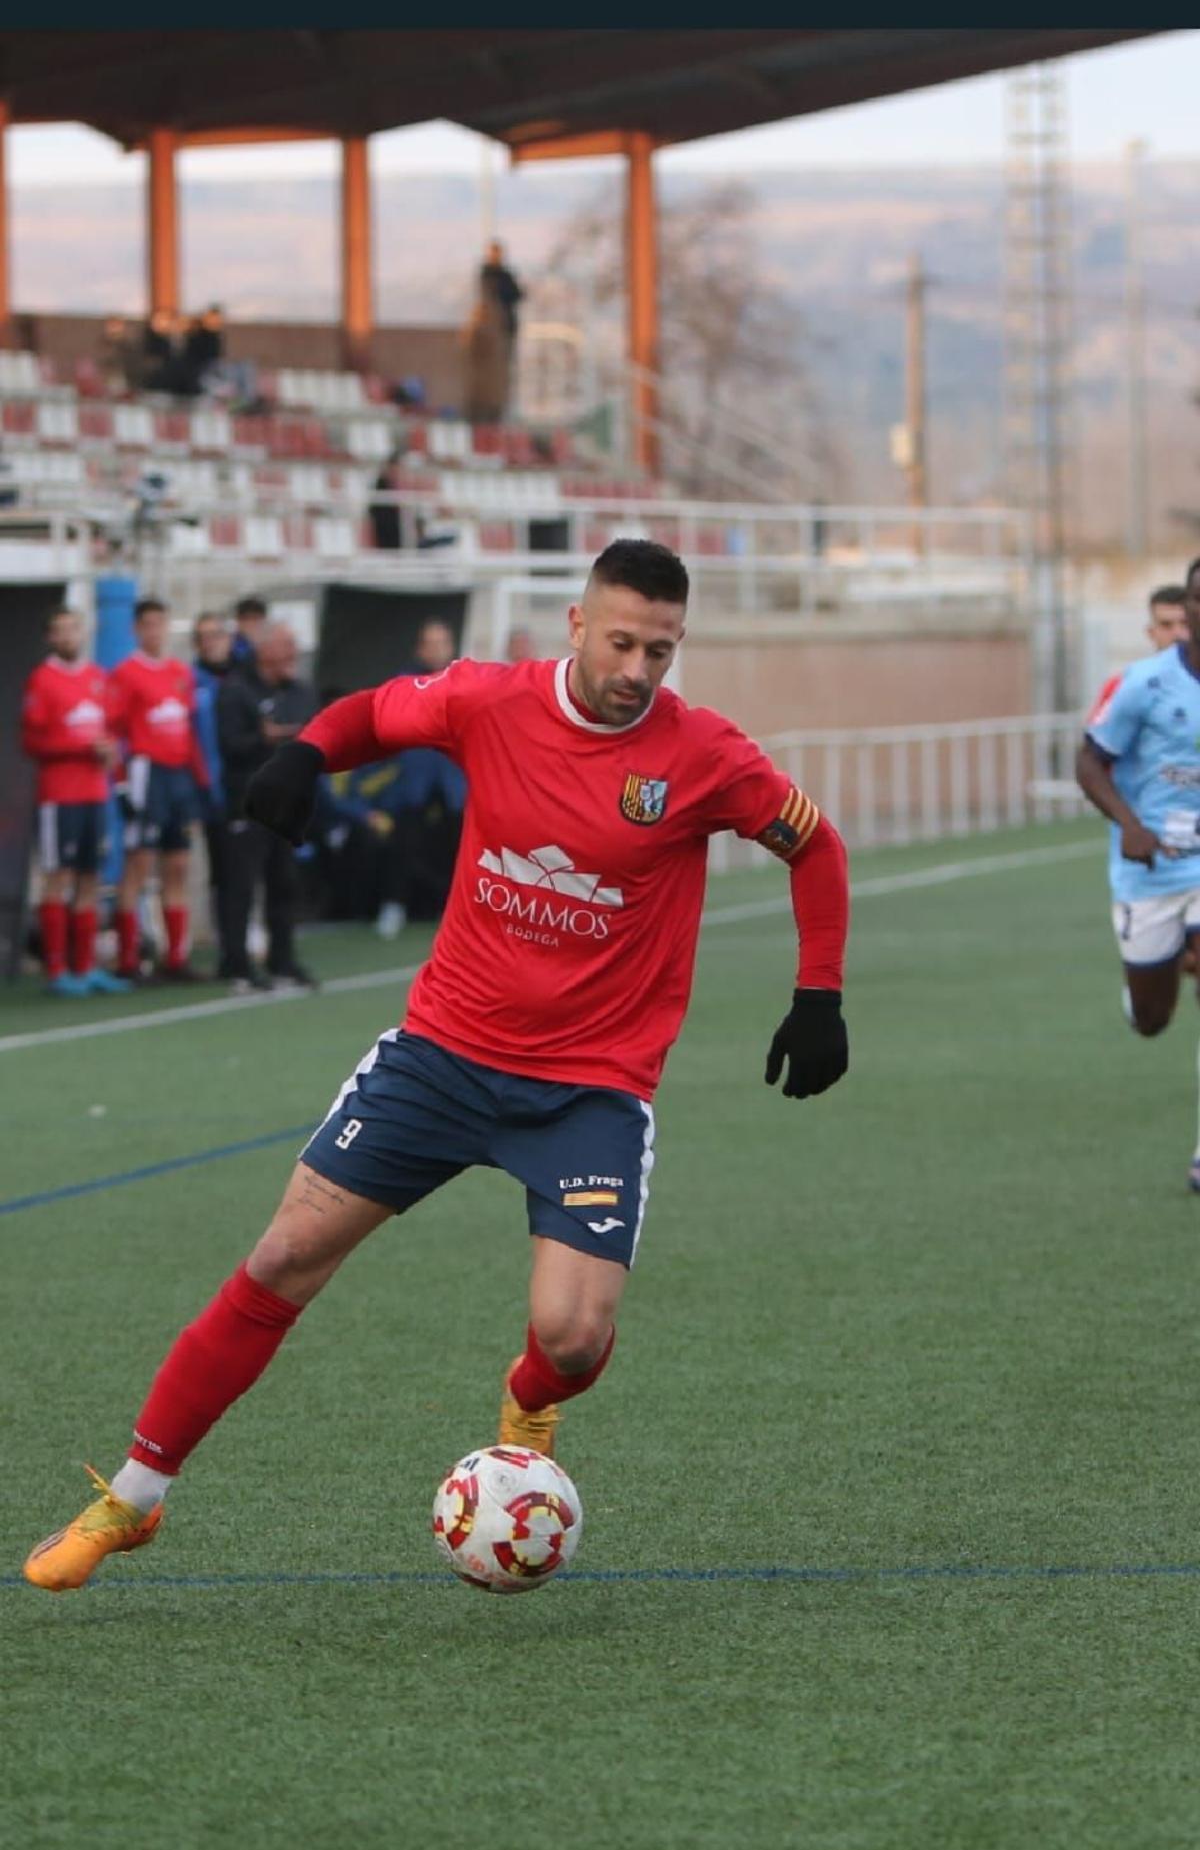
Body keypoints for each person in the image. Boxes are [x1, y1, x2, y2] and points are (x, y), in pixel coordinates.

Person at [22, 538, 850, 1592]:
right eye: (623, 643)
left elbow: (814, 845)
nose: (639, 670)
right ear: (579, 625)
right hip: (442, 1058)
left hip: (590, 1089)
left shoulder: (704, 755)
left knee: (574, 1336)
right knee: (284, 1256)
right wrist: (306, 754)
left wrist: (818, 994)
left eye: (662, 650)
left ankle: (529, 1396)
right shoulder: (488, 700)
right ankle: (134, 1498)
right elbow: (373, 713)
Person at [1077, 554, 1200, 1190]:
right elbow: (1089, 761)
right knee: (1153, 1019)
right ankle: (1146, 991)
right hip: (1150, 873)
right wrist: (1128, 822)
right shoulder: (1143, 685)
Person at [19, 607, 129, 997]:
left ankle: (86, 967)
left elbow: (110, 731)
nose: (68, 637)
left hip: (95, 793)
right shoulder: (42, 679)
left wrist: (109, 751)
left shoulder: (97, 678)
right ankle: (56, 969)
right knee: (59, 877)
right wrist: (82, 747)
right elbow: (32, 742)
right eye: (60, 631)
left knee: (90, 878)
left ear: (83, 633)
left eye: (73, 630)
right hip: (59, 796)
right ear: (51, 638)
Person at [106, 599, 210, 982]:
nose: (154, 631)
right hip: (146, 774)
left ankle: (176, 957)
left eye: (159, 624)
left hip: (178, 776)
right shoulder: (125, 673)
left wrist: (200, 782)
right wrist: (120, 785)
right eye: (147, 624)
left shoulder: (180, 672)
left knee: (178, 865)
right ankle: (128, 960)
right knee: (138, 865)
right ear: (136, 629)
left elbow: (189, 731)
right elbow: (112, 732)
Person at [217, 623, 320, 991]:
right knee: (241, 885)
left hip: (287, 803)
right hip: (248, 800)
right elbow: (230, 745)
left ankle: (283, 960)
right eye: (285, 645)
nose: (293, 653)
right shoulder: (237, 690)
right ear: (264, 651)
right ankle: (237, 964)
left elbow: (312, 731)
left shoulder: (300, 690)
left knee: (284, 882)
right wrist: (264, 738)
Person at [373, 617, 467, 938]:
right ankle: (393, 905)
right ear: (420, 648)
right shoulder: (404, 681)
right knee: (404, 844)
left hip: (453, 779)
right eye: (431, 643)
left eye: (442, 643)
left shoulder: (465, 678)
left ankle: (457, 913)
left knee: (459, 847)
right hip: (414, 778)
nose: (437, 649)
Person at [191, 612, 237, 972]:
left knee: (252, 866)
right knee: (221, 869)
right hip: (211, 791)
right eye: (204, 636)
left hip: (247, 788)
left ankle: (251, 931)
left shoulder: (244, 678)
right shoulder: (191, 682)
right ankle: (226, 940)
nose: (211, 642)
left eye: (216, 634)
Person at [1087, 582, 1188, 723]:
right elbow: (1096, 733)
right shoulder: (1124, 686)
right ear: (1151, 633)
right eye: (1166, 625)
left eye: (1185, 623)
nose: (1177, 633)